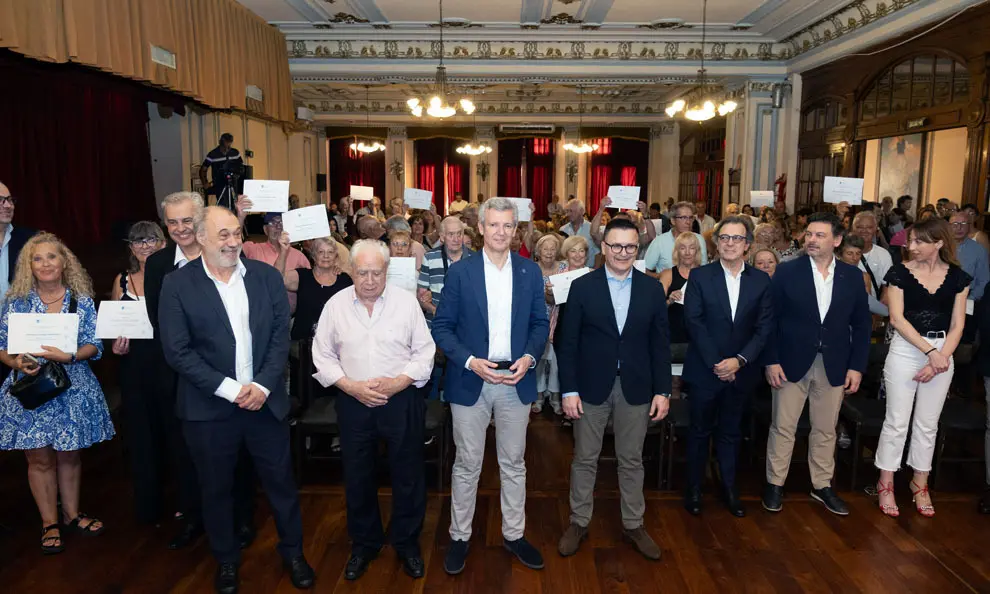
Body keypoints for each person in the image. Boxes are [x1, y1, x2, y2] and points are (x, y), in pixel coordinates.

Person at [159, 207, 314, 593]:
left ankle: (293, 552)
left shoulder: (264, 277)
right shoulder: (177, 284)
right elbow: (177, 351)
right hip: (209, 409)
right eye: (222, 236)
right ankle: (226, 560)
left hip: (265, 403)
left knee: (281, 483)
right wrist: (230, 389)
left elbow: (281, 335)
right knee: (216, 488)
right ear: (200, 238)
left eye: (236, 233)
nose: (232, 243)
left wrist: (261, 386)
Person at [431, 198, 550, 575]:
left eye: (508, 226)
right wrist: (470, 361)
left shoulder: (530, 272)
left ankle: (514, 534)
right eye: (494, 225)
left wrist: (529, 358)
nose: (501, 232)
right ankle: (460, 536)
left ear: (516, 230)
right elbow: (443, 327)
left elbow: (539, 324)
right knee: (467, 464)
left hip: (516, 379)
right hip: (471, 379)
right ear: (480, 228)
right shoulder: (461, 273)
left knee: (514, 463)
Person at [311, 239, 435, 580]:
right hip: (353, 400)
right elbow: (321, 354)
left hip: (400, 398)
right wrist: (350, 386)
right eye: (362, 272)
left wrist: (398, 382)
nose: (369, 280)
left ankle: (406, 541)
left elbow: (425, 352)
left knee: (408, 473)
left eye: (376, 273)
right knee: (357, 474)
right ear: (351, 270)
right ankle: (364, 543)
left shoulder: (406, 304)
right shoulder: (335, 305)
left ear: (387, 272)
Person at [555, 218, 671, 560]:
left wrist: (662, 391)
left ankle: (634, 523)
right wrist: (568, 390)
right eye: (616, 246)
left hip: (636, 387)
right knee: (585, 458)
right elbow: (568, 343)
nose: (623, 253)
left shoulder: (651, 289)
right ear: (603, 248)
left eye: (630, 247)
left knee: (631, 459)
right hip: (590, 387)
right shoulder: (582, 287)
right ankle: (578, 521)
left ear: (639, 249)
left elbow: (660, 345)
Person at [145, 191, 255, 551]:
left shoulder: (231, 257)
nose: (180, 229)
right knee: (187, 454)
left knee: (235, 454)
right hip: (181, 378)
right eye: (172, 223)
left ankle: (240, 520)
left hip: (232, 379)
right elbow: (160, 324)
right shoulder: (160, 264)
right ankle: (194, 518)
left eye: (187, 221)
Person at [0, 233, 114, 554]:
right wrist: (16, 361)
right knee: (38, 458)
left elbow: (96, 344)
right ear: (29, 265)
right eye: (38, 258)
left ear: (64, 262)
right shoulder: (16, 302)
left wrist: (71, 355)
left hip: (72, 387)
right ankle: (49, 522)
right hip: (31, 389)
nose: (46, 263)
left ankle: (72, 514)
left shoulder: (83, 301)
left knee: (69, 455)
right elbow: (2, 345)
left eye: (52, 257)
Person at [763, 212, 871, 516]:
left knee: (826, 428)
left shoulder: (852, 277)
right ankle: (774, 484)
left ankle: (822, 485)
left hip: (834, 364)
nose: (811, 239)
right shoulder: (787, 272)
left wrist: (856, 366)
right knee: (783, 426)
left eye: (819, 235)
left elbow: (862, 326)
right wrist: (771, 360)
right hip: (789, 361)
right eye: (809, 234)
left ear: (836, 240)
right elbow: (769, 320)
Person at [876, 218, 970, 519]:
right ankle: (886, 482)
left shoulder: (958, 278)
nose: (911, 246)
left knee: (928, 424)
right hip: (907, 351)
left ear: (938, 243)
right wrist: (930, 353)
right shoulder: (899, 273)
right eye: (910, 240)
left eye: (918, 241)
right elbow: (897, 319)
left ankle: (920, 482)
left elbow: (958, 325)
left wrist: (940, 358)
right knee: (896, 421)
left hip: (943, 352)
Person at [683, 216, 774, 518]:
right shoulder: (699, 276)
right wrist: (718, 363)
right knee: (698, 432)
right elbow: (694, 324)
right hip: (705, 371)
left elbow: (763, 329)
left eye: (736, 238)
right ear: (716, 243)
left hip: (742, 373)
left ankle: (730, 488)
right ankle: (694, 489)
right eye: (724, 238)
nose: (730, 243)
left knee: (731, 433)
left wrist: (739, 361)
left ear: (747, 245)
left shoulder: (761, 281)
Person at [109, 221, 168, 524]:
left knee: (172, 431)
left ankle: (181, 502)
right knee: (142, 435)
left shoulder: (172, 277)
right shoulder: (121, 281)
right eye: (138, 241)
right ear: (130, 247)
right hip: (134, 367)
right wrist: (116, 345)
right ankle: (149, 504)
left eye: (151, 240)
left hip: (169, 365)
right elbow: (114, 326)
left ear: (163, 244)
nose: (145, 246)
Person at [234, 203, 312, 312]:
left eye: (281, 222)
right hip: (259, 316)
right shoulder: (252, 249)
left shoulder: (299, 256)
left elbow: (311, 284)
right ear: (265, 229)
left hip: (291, 320)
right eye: (273, 222)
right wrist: (240, 217)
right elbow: (233, 246)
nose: (278, 226)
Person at [277, 236, 353, 341]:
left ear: (336, 256)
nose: (326, 256)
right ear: (313, 255)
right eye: (321, 252)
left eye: (330, 252)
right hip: (303, 346)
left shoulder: (345, 280)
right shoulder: (302, 276)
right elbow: (276, 279)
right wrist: (283, 252)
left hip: (336, 345)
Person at [0, 181, 37, 381]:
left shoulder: (31, 241)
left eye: (10, 200)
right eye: (1, 200)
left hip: (22, 341)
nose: (8, 205)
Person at [417, 216, 474, 325]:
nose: (456, 239)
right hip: (435, 324)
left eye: (459, 234)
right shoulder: (429, 257)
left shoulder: (475, 259)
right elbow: (421, 296)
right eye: (451, 234)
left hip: (466, 325)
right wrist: (435, 310)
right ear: (442, 237)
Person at [533, 234, 566, 414]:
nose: (549, 252)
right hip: (536, 321)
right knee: (537, 360)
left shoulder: (563, 268)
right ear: (538, 251)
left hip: (558, 319)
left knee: (555, 362)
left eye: (553, 249)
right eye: (545, 249)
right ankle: (538, 396)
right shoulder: (532, 269)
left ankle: (554, 396)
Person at [658, 232, 702, 344]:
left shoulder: (706, 274)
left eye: (692, 248)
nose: (687, 252)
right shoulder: (667, 275)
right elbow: (656, 309)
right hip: (673, 336)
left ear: (697, 251)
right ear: (677, 251)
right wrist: (670, 300)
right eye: (683, 248)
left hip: (699, 336)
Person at [643, 202, 708, 275]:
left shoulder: (699, 239)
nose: (688, 222)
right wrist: (661, 278)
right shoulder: (659, 242)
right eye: (683, 218)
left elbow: (704, 269)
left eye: (691, 218)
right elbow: (644, 270)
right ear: (673, 221)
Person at [852, 211, 893, 316]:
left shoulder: (883, 254)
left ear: (876, 229)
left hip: (871, 310)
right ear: (853, 228)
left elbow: (887, 285)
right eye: (860, 227)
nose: (864, 231)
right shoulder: (841, 252)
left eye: (869, 227)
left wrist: (879, 312)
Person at [949, 211, 989, 302]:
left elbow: (983, 280)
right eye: (955, 224)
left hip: (968, 296)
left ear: (969, 226)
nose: (959, 228)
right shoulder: (939, 247)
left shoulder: (979, 250)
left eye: (963, 224)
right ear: (948, 226)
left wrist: (970, 299)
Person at [200, 133, 243, 209]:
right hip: (220, 185)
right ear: (220, 142)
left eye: (229, 144)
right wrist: (205, 183)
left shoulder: (235, 152)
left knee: (235, 205)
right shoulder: (213, 154)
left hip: (233, 184)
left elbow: (241, 167)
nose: (227, 147)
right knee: (223, 206)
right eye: (225, 144)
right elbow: (203, 169)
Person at [559, 199, 599, 267]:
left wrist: (595, 271)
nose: (568, 214)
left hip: (589, 271)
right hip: (568, 272)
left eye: (571, 211)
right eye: (567, 211)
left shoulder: (592, 229)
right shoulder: (563, 229)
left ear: (581, 211)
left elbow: (598, 253)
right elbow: (561, 254)